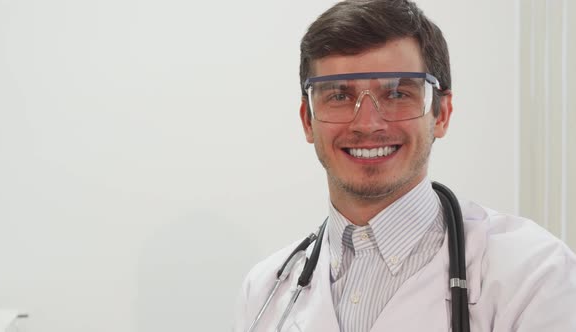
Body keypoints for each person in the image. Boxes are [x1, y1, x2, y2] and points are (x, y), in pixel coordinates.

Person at [233, 0, 576, 331]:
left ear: (441, 114)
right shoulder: (266, 291)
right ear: (308, 121)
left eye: (397, 94)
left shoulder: (534, 276)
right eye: (339, 95)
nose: (367, 124)